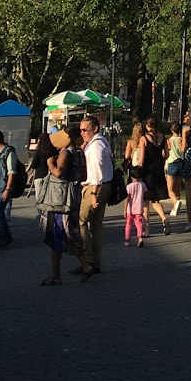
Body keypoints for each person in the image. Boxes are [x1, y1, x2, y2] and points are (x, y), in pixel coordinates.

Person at [36, 130, 82, 285]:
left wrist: (50, 163)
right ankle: (87, 264)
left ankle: (57, 274)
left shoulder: (65, 153)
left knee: (58, 234)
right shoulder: (79, 152)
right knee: (70, 232)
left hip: (60, 199)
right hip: (74, 195)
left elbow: (58, 172)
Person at [78, 113, 113, 276]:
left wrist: (93, 194)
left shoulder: (95, 147)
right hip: (104, 185)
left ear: (95, 129)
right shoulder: (101, 142)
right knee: (97, 223)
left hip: (95, 186)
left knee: (82, 221)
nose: (82, 133)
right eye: (81, 130)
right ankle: (95, 261)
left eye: (85, 130)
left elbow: (97, 170)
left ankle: (87, 260)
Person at [139, 116, 171, 235]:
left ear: (147, 125)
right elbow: (167, 154)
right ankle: (164, 218)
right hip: (159, 169)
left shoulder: (144, 139)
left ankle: (146, 229)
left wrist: (138, 168)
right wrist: (161, 160)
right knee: (155, 199)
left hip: (148, 170)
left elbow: (142, 158)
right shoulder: (162, 136)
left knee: (146, 201)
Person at [165, 116, 185, 219]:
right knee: (177, 187)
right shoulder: (181, 139)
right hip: (180, 163)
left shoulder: (169, 140)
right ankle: (175, 207)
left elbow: (166, 152)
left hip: (172, 163)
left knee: (170, 189)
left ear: (172, 130)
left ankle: (176, 202)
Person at [124, 176, 148, 245]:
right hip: (139, 208)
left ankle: (127, 240)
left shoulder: (129, 186)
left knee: (128, 224)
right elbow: (145, 193)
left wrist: (125, 209)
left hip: (130, 209)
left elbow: (127, 198)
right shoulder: (142, 184)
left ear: (131, 177)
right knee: (139, 224)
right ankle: (140, 238)